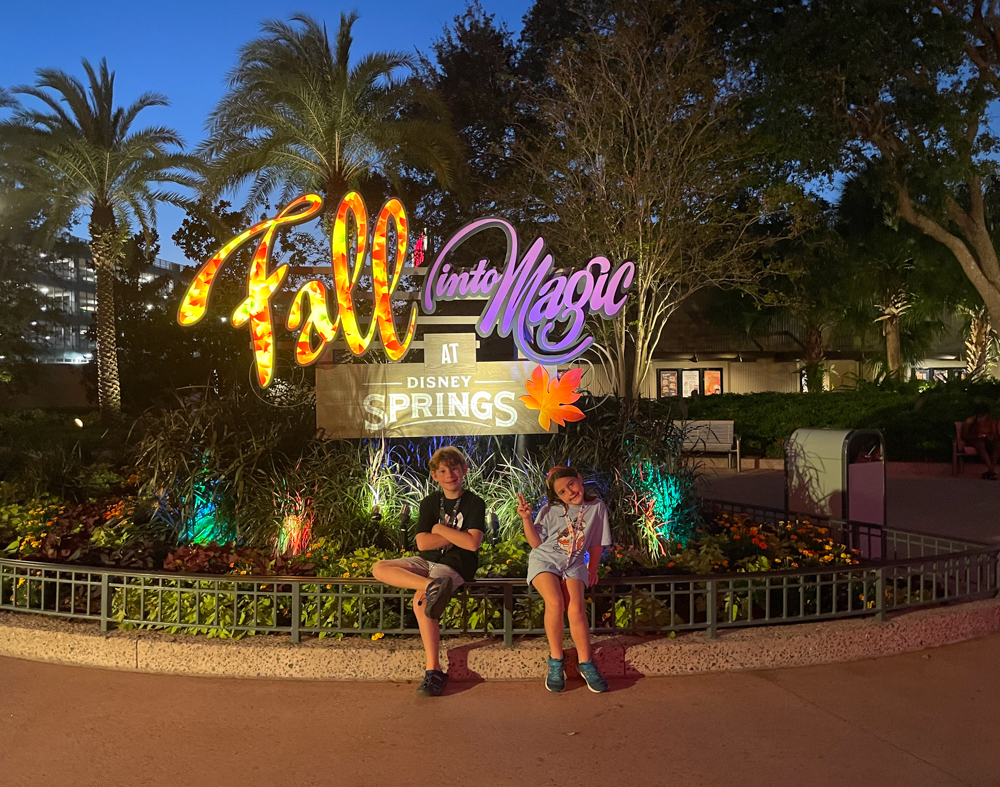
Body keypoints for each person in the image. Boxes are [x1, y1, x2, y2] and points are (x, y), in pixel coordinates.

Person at [372, 447, 486, 697]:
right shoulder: (430, 502)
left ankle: (433, 670)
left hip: (454, 565)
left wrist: (438, 528)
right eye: (443, 471)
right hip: (426, 562)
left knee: (421, 602)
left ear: (464, 470)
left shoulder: (474, 502)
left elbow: (471, 544)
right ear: (435, 476)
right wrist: (457, 535)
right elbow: (422, 544)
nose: (450, 475)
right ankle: (431, 587)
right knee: (379, 567)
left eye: (454, 469)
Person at [517, 466, 612, 694]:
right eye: (561, 491)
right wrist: (527, 519)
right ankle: (556, 661)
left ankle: (586, 663)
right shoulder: (550, 510)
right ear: (556, 496)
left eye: (571, 484)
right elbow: (536, 544)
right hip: (546, 559)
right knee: (556, 603)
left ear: (579, 479)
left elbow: (597, 542)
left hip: (575, 562)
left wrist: (592, 568)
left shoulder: (596, 507)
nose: (569, 492)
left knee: (576, 609)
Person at [961, 404, 1000, 480]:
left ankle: (990, 471)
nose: (984, 417)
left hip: (988, 440)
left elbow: (995, 434)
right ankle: (991, 471)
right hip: (975, 439)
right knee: (980, 445)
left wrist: (991, 436)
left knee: (998, 446)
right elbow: (964, 435)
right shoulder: (970, 420)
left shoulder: (991, 421)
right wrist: (976, 436)